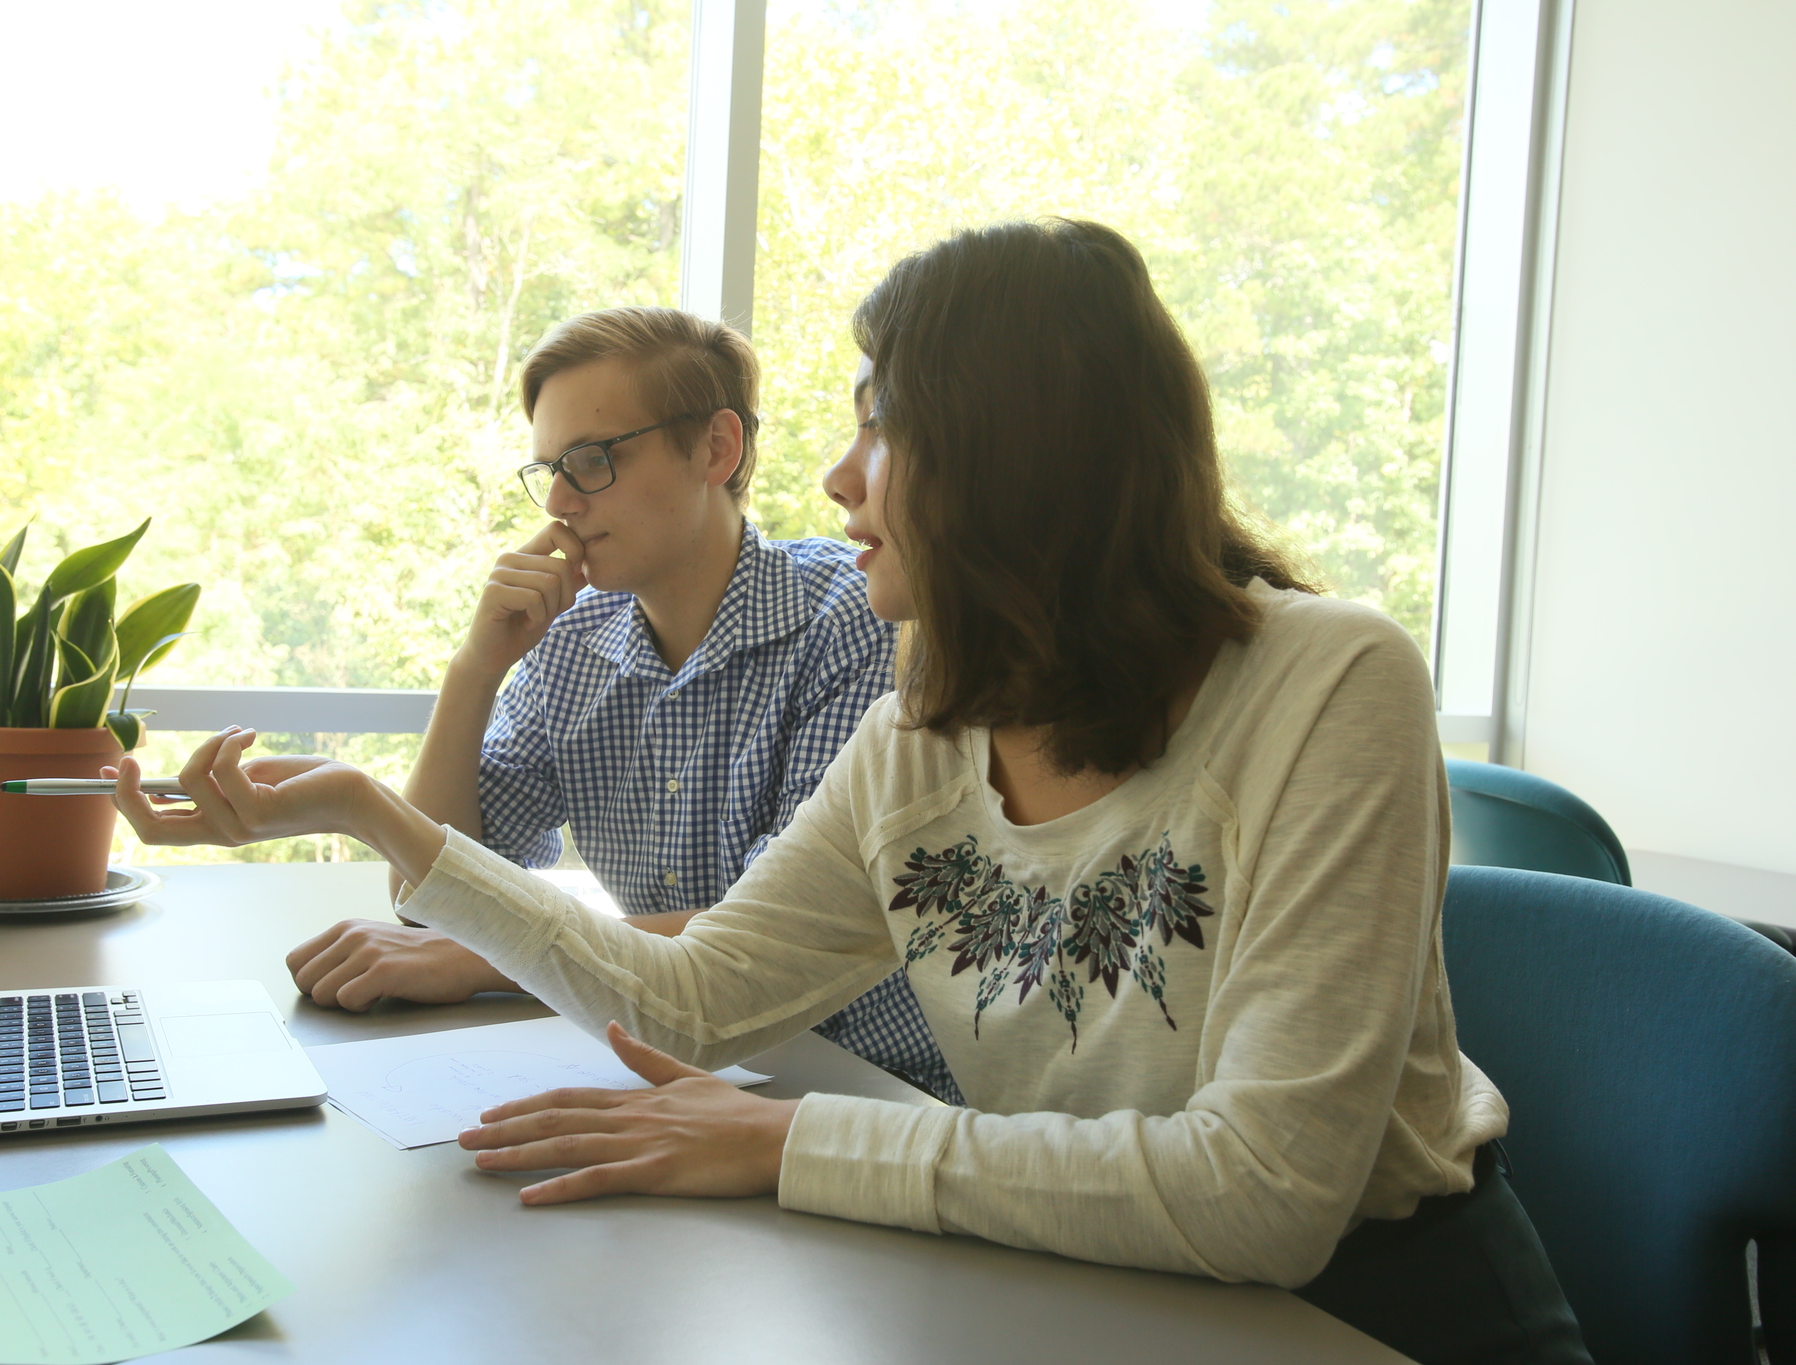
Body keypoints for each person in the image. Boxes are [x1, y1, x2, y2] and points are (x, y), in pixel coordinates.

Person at [113, 221, 1589, 1364]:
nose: (835, 478)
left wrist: (784, 1140)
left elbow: (1260, 1196)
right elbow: (695, 1001)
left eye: (879, 423)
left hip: (1368, 1309)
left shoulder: (1330, 681)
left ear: (1016, 448)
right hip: (1079, 1271)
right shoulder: (925, 725)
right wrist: (374, 812)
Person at [282, 306, 961, 1103]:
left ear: (717, 448)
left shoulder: (855, 620)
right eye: (549, 469)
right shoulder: (570, 643)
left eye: (592, 459)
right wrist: (476, 668)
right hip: (682, 1076)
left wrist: (484, 958)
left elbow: (766, 938)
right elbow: (431, 901)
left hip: (873, 1094)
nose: (559, 501)